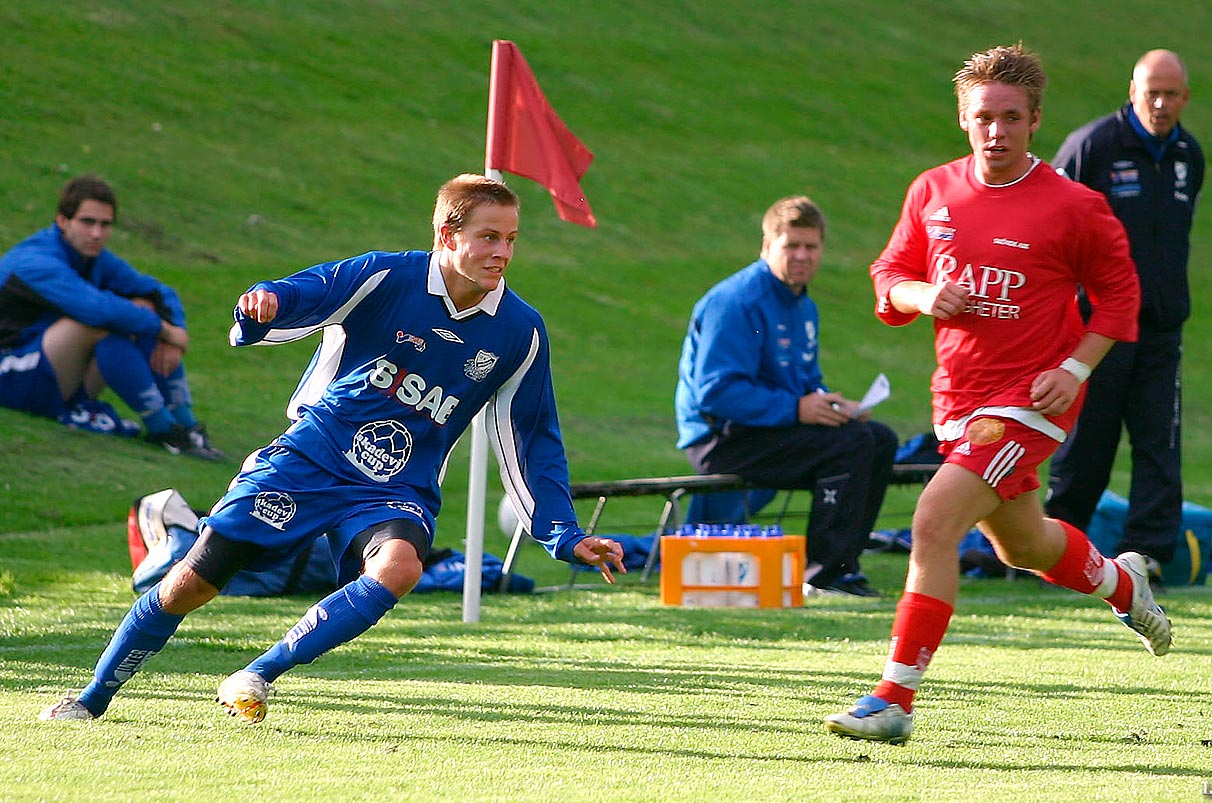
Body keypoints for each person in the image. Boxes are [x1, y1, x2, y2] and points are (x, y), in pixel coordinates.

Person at [39, 174, 626, 724]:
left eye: (511, 239)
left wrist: (565, 534)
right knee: (190, 585)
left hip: (397, 488)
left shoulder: (519, 331)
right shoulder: (387, 278)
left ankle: (258, 674)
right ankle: (91, 699)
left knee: (400, 567)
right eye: (488, 237)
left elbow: (532, 437)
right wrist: (266, 302)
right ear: (448, 235)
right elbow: (307, 292)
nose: (502, 252)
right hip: (309, 459)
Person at [823, 43, 1170, 745]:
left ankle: (894, 698)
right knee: (1023, 545)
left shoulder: (1075, 207)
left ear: (1035, 120)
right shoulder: (932, 190)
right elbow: (890, 273)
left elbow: (1121, 298)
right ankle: (1125, 585)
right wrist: (926, 294)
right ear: (963, 117)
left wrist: (1073, 371)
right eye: (984, 116)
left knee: (932, 523)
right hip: (957, 398)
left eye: (1012, 117)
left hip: (1030, 402)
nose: (997, 131)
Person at [675, 196, 897, 597]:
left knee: (879, 439)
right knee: (851, 445)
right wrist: (797, 408)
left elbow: (805, 380)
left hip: (767, 430)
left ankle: (844, 569)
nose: (801, 256)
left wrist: (831, 404)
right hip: (720, 438)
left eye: (810, 247)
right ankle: (822, 576)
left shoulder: (802, 305)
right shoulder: (735, 301)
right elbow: (715, 393)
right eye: (790, 246)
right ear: (766, 246)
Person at [1044, 50, 1205, 581]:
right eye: (1151, 92)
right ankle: (1053, 548)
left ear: (1185, 97)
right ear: (1131, 90)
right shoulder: (1093, 146)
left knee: (1160, 440)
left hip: (1161, 326)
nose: (1160, 104)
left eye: (1171, 94)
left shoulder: (1188, 154)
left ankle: (1148, 555)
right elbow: (1049, 221)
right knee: (1088, 439)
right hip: (1099, 327)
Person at [0, 175, 225, 459]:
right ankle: (164, 430)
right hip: (8, 374)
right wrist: (164, 331)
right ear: (62, 221)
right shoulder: (34, 261)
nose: (97, 233)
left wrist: (174, 329)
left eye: (105, 225)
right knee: (105, 322)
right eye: (87, 222)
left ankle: (187, 427)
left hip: (47, 373)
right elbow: (96, 309)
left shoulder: (92, 257)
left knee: (142, 308)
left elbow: (157, 290)